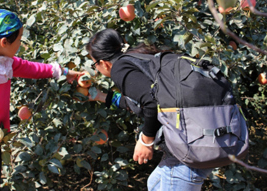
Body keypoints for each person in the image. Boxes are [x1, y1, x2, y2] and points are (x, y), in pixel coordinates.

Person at [0, 9, 81, 191]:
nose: (20, 44)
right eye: (18, 40)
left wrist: (63, 72)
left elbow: (32, 68)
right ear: (4, 42)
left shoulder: (3, 62)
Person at [86, 28, 212, 191]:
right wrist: (100, 96)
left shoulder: (119, 68)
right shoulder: (141, 58)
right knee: (155, 184)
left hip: (190, 146)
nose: (96, 70)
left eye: (94, 64)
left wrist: (145, 141)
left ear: (103, 63)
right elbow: (138, 101)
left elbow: (152, 101)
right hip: (202, 133)